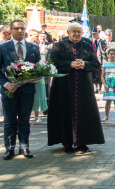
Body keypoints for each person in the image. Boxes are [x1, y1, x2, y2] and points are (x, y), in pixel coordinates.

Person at [48, 22, 104, 153]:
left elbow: (96, 63)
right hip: (63, 87)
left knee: (84, 113)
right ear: (68, 33)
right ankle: (67, 143)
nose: (77, 34)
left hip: (83, 88)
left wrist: (84, 64)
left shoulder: (87, 45)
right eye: (74, 31)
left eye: (79, 31)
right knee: (65, 113)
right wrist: (70, 64)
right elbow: (52, 63)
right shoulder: (58, 46)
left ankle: (82, 142)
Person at [0, 20, 41, 160]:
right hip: (9, 90)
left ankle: (24, 146)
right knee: (9, 121)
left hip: (27, 91)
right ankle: (9, 148)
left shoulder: (34, 48)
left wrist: (36, 77)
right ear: (10, 30)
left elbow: (38, 68)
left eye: (22, 28)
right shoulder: (3, 48)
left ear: (25, 30)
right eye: (16, 28)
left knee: (24, 120)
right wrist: (6, 84)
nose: (19, 31)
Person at [27, 34, 48, 123]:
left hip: (40, 76)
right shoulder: (27, 53)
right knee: (29, 97)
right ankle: (26, 116)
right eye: (34, 43)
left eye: (37, 43)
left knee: (39, 96)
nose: (36, 44)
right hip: (29, 76)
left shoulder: (41, 51)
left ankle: (37, 116)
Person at [91, 28, 108, 93]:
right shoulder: (91, 42)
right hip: (93, 61)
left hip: (100, 61)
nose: (94, 35)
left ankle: (100, 88)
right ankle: (95, 87)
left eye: (96, 33)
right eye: (93, 34)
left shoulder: (102, 41)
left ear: (98, 34)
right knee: (94, 75)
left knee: (100, 74)